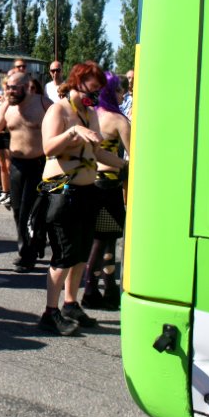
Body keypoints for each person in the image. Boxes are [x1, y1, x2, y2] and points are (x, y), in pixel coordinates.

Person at [37, 61, 126, 335]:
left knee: (81, 253)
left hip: (89, 192)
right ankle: (50, 313)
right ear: (79, 80)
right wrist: (72, 131)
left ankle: (71, 304)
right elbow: (48, 147)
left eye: (101, 87)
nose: (98, 91)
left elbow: (98, 154)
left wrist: (128, 166)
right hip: (63, 192)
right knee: (63, 255)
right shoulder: (58, 110)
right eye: (94, 85)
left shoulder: (90, 114)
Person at [0, 70, 52, 271]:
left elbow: (61, 124)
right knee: (17, 211)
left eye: (14, 87)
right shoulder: (7, 106)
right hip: (16, 164)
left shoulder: (43, 104)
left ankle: (27, 255)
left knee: (33, 213)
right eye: (7, 87)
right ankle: (32, 245)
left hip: (39, 164)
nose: (9, 91)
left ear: (26, 87)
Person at [82, 72, 131, 311]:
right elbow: (134, 154)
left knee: (103, 239)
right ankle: (91, 288)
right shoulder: (119, 120)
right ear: (114, 92)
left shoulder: (93, 114)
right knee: (104, 240)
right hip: (109, 184)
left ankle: (109, 287)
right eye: (122, 91)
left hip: (92, 180)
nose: (124, 95)